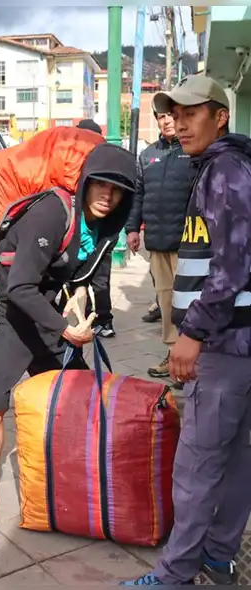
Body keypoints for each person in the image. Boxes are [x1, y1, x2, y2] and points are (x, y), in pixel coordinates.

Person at [0, 143, 138, 555]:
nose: (107, 195)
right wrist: (66, 330)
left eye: (117, 190)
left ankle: (67, 483)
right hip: (11, 310)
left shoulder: (103, 228)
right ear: (85, 183)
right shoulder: (52, 212)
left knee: (78, 394)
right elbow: (21, 286)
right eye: (100, 184)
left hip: (46, 310)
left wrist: (76, 304)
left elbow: (76, 277)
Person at [124, 75, 251, 587]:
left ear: (220, 116)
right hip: (240, 341)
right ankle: (218, 557)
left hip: (222, 344)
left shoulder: (223, 170)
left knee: (198, 464)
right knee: (240, 458)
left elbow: (232, 264)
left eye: (191, 113)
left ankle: (174, 574)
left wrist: (193, 332)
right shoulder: (232, 167)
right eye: (174, 115)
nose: (179, 124)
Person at [123, 102, 198, 388]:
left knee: (189, 302)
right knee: (166, 302)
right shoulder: (147, 155)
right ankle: (172, 354)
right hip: (157, 242)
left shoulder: (193, 151)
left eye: (171, 116)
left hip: (189, 245)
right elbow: (138, 195)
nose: (167, 121)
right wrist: (132, 229)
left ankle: (193, 359)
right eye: (162, 117)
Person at [75, 119, 116, 338]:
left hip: (102, 235)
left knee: (100, 280)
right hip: (80, 233)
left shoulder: (106, 164)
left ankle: (104, 319)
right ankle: (88, 318)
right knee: (79, 279)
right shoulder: (72, 164)